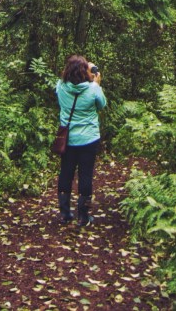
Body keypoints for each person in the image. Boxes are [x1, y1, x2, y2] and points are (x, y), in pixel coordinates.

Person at [56, 54, 106, 226]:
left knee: (66, 173)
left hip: (68, 139)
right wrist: (96, 82)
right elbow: (101, 105)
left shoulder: (61, 86)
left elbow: (61, 101)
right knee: (85, 175)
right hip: (89, 139)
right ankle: (83, 217)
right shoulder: (93, 89)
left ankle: (64, 214)